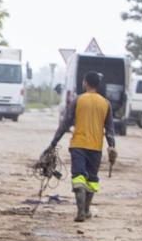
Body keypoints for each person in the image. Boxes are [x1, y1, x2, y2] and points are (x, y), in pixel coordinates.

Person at [44, 71, 116, 223]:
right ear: (98, 85)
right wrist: (112, 147)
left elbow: (65, 123)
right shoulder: (105, 103)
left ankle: (80, 212)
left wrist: (53, 143)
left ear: (85, 83)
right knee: (92, 179)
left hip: (78, 145)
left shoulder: (78, 100)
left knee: (78, 177)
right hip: (96, 147)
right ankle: (87, 209)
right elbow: (109, 129)